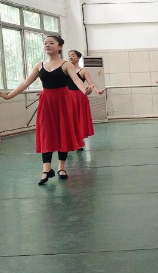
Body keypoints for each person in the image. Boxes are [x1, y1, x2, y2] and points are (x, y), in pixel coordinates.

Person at [0, 36, 92, 185]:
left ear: (59, 47)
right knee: (46, 133)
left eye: (51, 43)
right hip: (46, 103)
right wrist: (8, 96)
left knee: (63, 132)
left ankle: (61, 167)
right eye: (45, 43)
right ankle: (46, 169)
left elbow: (76, 81)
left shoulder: (66, 64)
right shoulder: (39, 65)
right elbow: (25, 83)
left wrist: (85, 91)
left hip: (63, 101)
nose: (47, 45)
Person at [67, 50, 105, 151]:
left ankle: (79, 142)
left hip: (79, 97)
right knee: (68, 119)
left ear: (78, 58)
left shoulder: (83, 71)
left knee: (79, 119)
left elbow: (91, 83)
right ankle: (69, 141)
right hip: (67, 97)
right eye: (69, 55)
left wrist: (98, 90)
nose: (70, 57)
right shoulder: (66, 70)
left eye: (72, 55)